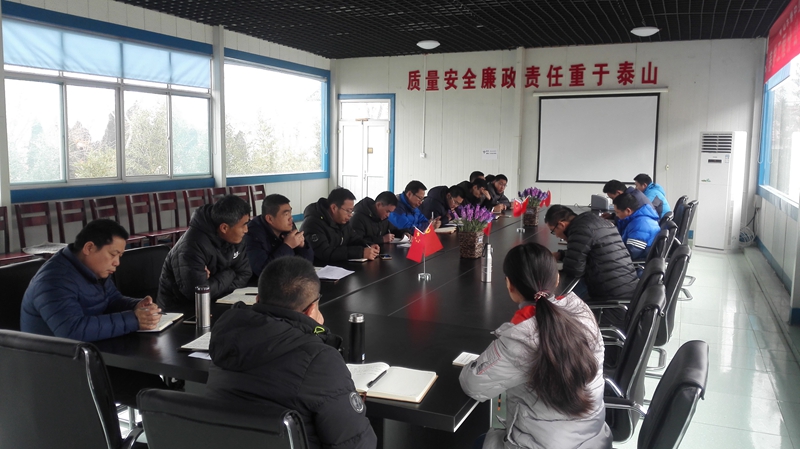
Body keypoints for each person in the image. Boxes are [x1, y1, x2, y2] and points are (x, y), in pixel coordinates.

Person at [206, 257, 377, 449]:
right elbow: (358, 444)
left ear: (257, 300)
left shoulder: (227, 336)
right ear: (311, 309)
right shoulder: (319, 360)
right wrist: (317, 333)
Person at [459, 243, 612, 449]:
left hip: (540, 445)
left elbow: (472, 385)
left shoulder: (520, 339)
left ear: (509, 286)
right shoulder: (582, 312)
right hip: (595, 440)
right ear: (556, 278)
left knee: (476, 440)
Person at [20, 219, 166, 404]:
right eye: (113, 254)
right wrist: (134, 320)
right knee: (156, 395)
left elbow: (112, 300)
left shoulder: (91, 269)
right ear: (89, 248)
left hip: (92, 355)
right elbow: (72, 331)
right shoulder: (54, 280)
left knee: (155, 387)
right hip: (60, 367)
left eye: (120, 256)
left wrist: (137, 306)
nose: (117, 262)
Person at [545, 205, 637, 327]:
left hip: (613, 305)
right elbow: (593, 251)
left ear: (561, 225)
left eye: (553, 231)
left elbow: (574, 270)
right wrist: (561, 255)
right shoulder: (594, 221)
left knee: (560, 309)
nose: (556, 236)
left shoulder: (579, 230)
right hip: (628, 292)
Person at [158, 194, 252, 312]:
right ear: (224, 228)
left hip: (218, 302)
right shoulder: (191, 246)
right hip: (181, 311)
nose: (246, 230)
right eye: (243, 225)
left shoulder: (235, 238)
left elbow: (245, 273)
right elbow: (198, 293)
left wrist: (212, 282)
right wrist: (230, 273)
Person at [301, 187, 380, 264]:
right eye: (348, 211)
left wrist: (369, 245)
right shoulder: (313, 224)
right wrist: (360, 253)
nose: (350, 215)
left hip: (339, 266)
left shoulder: (342, 221)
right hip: (320, 269)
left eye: (351, 211)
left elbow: (354, 239)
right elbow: (325, 253)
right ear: (334, 208)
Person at [245, 193, 313, 278]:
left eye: (290, 213)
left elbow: (307, 264)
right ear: (270, 219)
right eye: (286, 214)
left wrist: (302, 247)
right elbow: (264, 271)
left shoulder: (288, 226)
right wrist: (288, 246)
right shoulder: (252, 234)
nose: (291, 218)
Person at [613, 193, 660, 261]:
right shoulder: (638, 220)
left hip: (637, 264)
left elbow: (632, 253)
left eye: (617, 212)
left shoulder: (640, 225)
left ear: (628, 210)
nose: (616, 216)